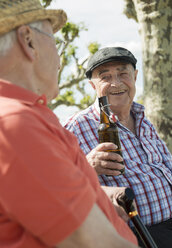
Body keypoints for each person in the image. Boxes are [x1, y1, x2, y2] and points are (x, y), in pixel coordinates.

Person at [0, 1, 139, 248]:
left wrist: (102, 199)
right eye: (56, 42)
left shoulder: (25, 116)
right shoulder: (15, 124)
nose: (60, 59)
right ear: (29, 41)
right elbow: (92, 243)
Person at [64, 46, 172, 248]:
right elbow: (56, 183)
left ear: (135, 76)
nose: (116, 83)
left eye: (123, 73)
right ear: (92, 86)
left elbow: (166, 167)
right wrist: (86, 165)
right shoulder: (75, 127)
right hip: (133, 237)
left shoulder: (142, 118)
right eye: (105, 77)